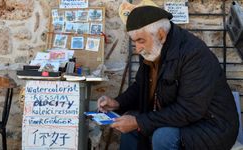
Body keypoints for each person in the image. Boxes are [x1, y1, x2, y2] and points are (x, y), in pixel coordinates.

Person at [97, 5, 239, 150]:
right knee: (132, 128)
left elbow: (189, 110)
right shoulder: (153, 50)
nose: (137, 48)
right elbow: (141, 86)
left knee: (162, 136)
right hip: (180, 118)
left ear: (161, 35)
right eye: (134, 41)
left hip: (212, 127)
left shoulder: (194, 54)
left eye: (140, 40)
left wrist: (139, 122)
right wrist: (117, 103)